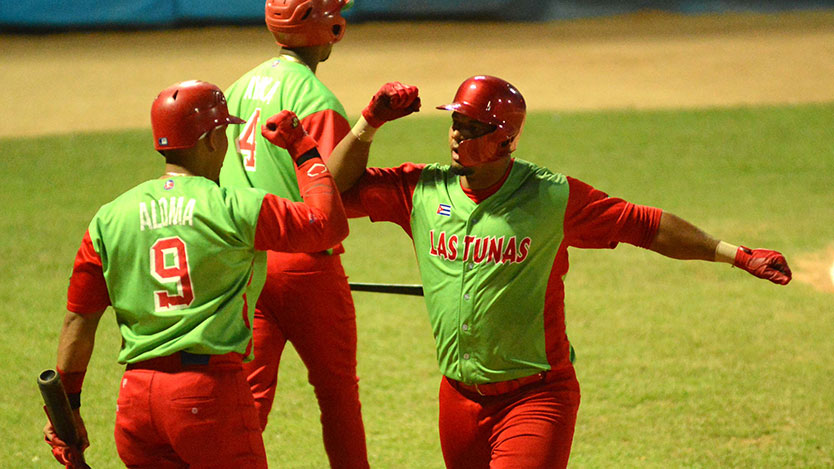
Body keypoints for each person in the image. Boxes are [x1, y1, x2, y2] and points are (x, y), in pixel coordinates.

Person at [326, 75, 793, 468]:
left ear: (505, 138)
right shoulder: (421, 189)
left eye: (472, 127)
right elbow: (330, 191)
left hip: (535, 398)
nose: (456, 135)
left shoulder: (551, 197)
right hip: (458, 398)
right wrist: (369, 123)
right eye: (455, 123)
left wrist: (737, 254)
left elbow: (644, 225)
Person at [42, 80, 348, 468]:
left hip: (137, 402)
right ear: (211, 139)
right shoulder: (233, 207)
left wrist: (67, 406)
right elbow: (327, 225)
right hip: (208, 396)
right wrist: (302, 148)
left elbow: (79, 319)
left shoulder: (109, 217)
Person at [218, 1, 372, 466]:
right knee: (337, 394)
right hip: (306, 267)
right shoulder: (313, 98)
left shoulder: (239, 87)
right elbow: (336, 184)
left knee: (247, 399)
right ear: (329, 27)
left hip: (245, 264)